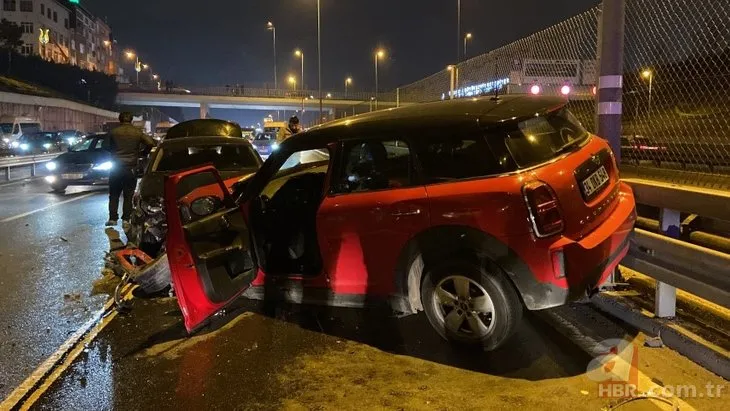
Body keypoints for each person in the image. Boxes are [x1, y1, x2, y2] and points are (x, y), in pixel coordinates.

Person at [105, 112, 155, 228]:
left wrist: (114, 152)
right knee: (128, 194)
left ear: (120, 120)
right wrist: (142, 153)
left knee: (114, 194)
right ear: (131, 120)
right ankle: (126, 219)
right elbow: (150, 143)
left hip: (116, 166)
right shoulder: (137, 132)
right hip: (131, 167)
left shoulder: (114, 132)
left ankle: (113, 218)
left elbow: (104, 145)